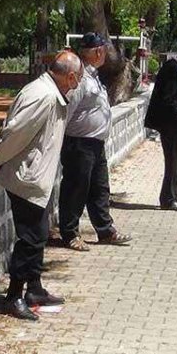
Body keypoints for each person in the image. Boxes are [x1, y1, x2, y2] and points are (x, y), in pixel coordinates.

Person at [0, 50, 83, 320]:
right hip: (27, 177)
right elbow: (17, 131)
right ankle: (14, 296)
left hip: (37, 175)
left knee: (38, 234)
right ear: (70, 76)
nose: (77, 84)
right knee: (30, 237)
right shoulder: (43, 95)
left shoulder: (51, 92)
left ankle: (34, 288)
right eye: (78, 79)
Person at [57, 34, 133, 251]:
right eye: (102, 51)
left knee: (100, 188)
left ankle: (105, 230)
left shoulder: (94, 77)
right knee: (76, 188)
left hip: (95, 143)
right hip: (79, 143)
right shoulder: (80, 79)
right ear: (98, 52)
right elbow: (67, 110)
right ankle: (70, 233)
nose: (105, 55)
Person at [145, 45, 177, 211]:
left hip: (174, 119)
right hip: (170, 121)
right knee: (173, 159)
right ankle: (168, 198)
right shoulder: (173, 69)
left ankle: (174, 193)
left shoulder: (176, 68)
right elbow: (169, 99)